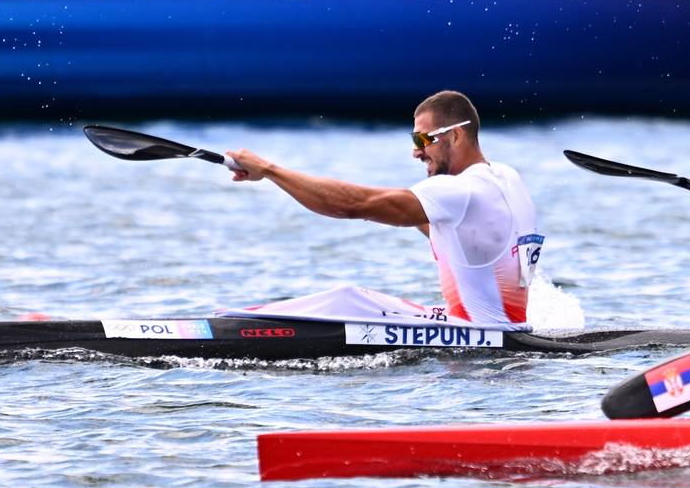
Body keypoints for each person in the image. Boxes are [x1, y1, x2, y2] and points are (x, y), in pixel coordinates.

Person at [224, 90, 542, 325]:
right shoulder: (507, 178)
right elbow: (466, 240)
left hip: (479, 338)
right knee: (357, 299)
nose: (416, 153)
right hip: (506, 327)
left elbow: (354, 205)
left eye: (422, 140)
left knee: (346, 299)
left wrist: (270, 170)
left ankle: (227, 324)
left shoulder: (460, 190)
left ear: (456, 135)